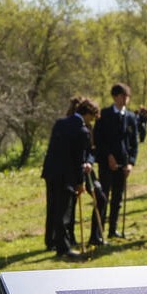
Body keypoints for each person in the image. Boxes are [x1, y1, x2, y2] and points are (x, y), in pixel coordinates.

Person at [41, 97, 97, 259]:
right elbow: (78, 160)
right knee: (63, 212)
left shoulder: (60, 123)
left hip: (51, 172)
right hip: (66, 176)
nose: (91, 121)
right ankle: (63, 248)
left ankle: (51, 241)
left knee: (52, 208)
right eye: (92, 117)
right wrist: (80, 183)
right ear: (87, 114)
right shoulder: (82, 131)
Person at [93, 82, 137, 240]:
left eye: (127, 96)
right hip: (106, 163)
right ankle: (98, 232)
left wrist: (131, 163)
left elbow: (134, 142)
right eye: (122, 96)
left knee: (117, 198)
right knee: (103, 197)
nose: (125, 99)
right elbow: (98, 139)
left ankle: (113, 229)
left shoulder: (131, 117)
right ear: (115, 97)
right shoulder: (104, 115)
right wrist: (107, 156)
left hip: (123, 164)